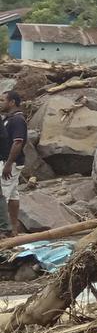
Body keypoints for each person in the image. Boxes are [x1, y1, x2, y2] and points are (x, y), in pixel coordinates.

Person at [2, 92, 27, 236]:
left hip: (10, 163)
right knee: (12, 195)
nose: (1, 103)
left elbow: (18, 142)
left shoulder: (17, 120)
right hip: (7, 162)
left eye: (3, 100)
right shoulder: (9, 119)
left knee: (2, 195)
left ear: (12, 102)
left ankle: (3, 231)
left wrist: (8, 164)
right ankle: (13, 230)